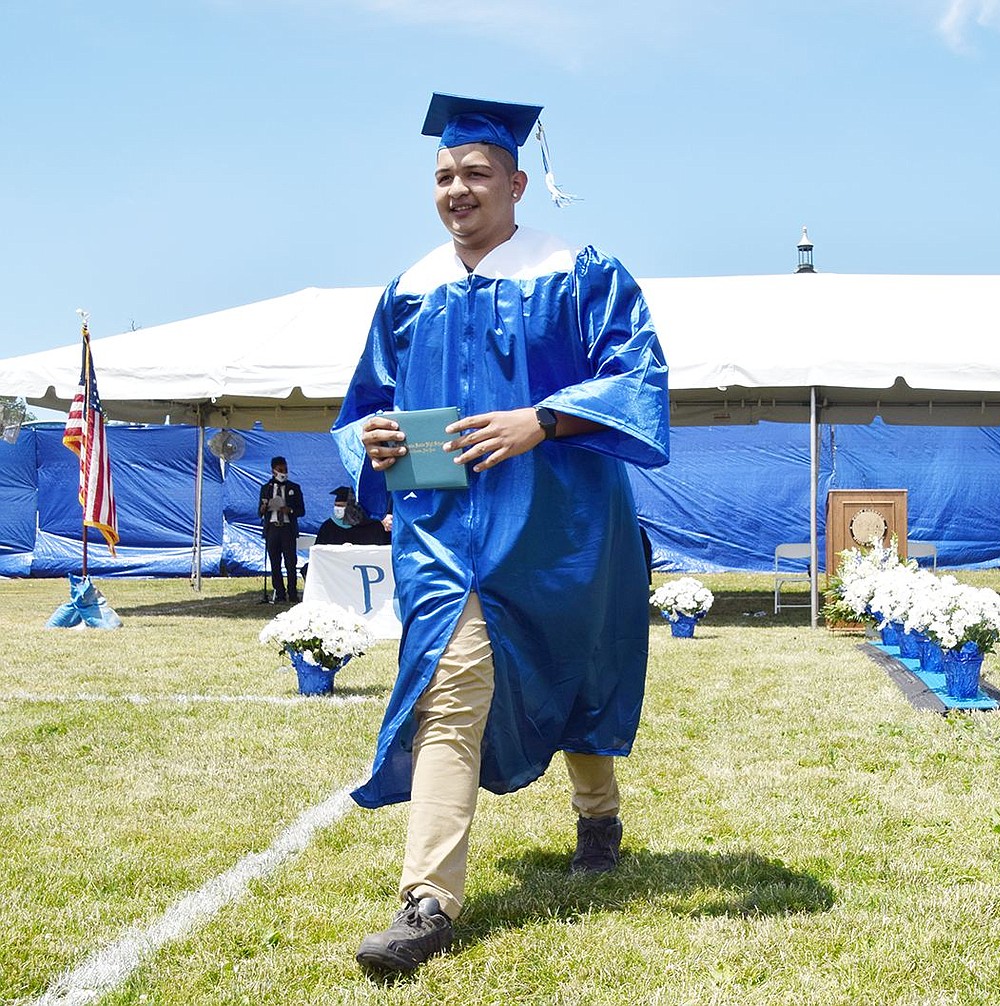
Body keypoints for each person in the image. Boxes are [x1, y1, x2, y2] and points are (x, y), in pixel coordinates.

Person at [331, 92, 669, 977]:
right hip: (444, 531)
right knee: (449, 684)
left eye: (476, 172)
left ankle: (598, 815)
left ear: (517, 182)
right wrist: (368, 437)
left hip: (561, 526)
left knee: (577, 675)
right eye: (444, 175)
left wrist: (544, 419)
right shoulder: (410, 291)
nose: (457, 189)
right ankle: (428, 899)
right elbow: (366, 405)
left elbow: (637, 376)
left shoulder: (580, 270)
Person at [257, 456, 304, 603]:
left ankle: (292, 592)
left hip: (287, 529)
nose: (283, 472)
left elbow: (301, 510)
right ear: (273, 471)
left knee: (291, 562)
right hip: (272, 528)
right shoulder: (266, 488)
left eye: (285, 469)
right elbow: (259, 512)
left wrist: (289, 510)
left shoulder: (294, 488)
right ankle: (279, 593)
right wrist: (264, 508)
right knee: (275, 562)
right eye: (280, 470)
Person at [314, 485, 392, 546]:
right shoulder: (328, 526)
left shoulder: (374, 526)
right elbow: (319, 551)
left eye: (342, 506)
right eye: (336, 505)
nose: (338, 509)